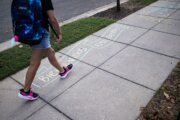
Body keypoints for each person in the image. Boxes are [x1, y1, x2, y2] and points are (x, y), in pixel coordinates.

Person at [17, 0, 73, 101]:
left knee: (50, 52)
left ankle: (62, 71)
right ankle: (26, 91)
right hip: (40, 33)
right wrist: (59, 33)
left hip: (29, 31)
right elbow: (52, 19)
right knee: (35, 63)